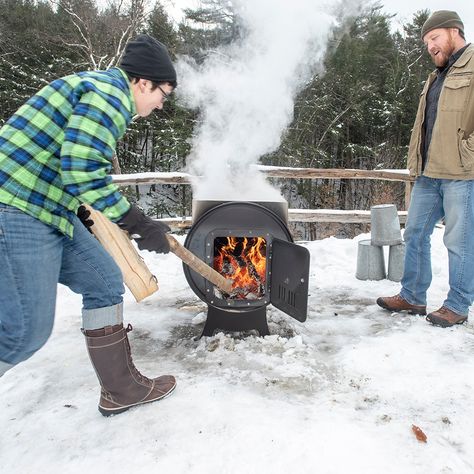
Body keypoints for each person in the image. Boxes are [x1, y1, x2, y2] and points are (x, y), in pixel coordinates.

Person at [0, 34, 178, 416]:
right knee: (23, 333)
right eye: (164, 92)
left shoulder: (96, 90)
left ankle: (121, 390)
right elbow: (82, 170)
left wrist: (79, 205)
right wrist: (138, 222)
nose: (162, 103)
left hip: (52, 210)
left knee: (103, 281)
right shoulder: (109, 96)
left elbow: (62, 159)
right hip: (16, 208)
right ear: (143, 82)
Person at [377, 10, 474, 328]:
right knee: (415, 234)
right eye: (426, 42)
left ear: (454, 31)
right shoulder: (436, 76)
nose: (430, 46)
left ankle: (458, 305)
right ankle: (412, 296)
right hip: (429, 174)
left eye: (434, 38)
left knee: (459, 241)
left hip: (462, 173)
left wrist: (467, 151)